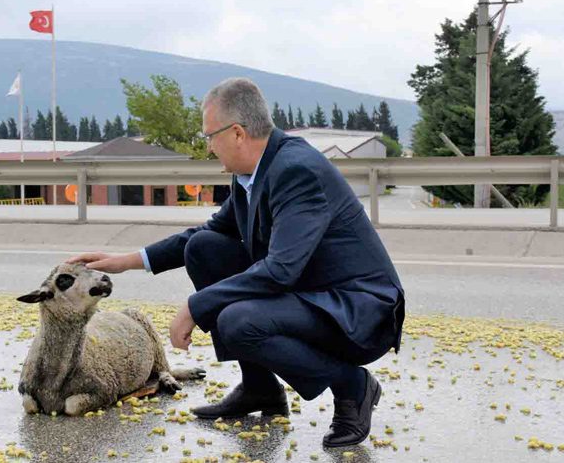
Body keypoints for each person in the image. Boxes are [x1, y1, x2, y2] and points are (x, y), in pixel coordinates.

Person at [67, 77, 405, 447]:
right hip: (310, 292)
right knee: (204, 248)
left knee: (237, 321)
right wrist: (128, 260)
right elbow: (209, 232)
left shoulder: (296, 169)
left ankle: (352, 386)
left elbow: (281, 270)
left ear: (238, 133)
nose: (209, 147)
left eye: (209, 136)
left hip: (355, 310)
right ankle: (261, 389)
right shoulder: (253, 172)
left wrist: (195, 306)